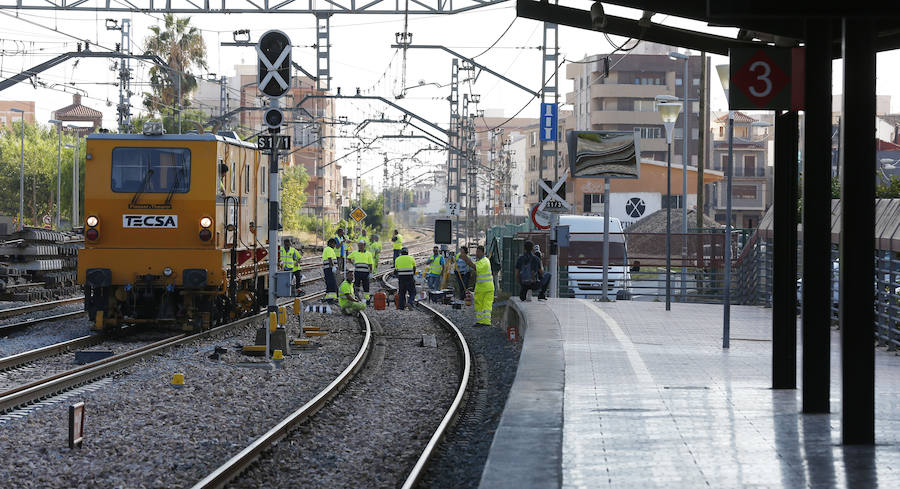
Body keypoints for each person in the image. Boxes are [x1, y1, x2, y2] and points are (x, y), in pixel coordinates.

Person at [461, 245, 494, 327]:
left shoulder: (485, 261)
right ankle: (480, 321)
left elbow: (474, 266)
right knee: (479, 304)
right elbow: (473, 265)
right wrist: (466, 260)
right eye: (476, 252)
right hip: (481, 288)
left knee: (486, 305)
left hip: (486, 288)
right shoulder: (481, 261)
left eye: (478, 252)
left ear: (482, 252)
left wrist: (466, 259)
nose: (476, 253)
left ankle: (486, 322)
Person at [348, 239, 374, 304]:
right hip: (357, 272)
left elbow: (370, 264)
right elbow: (348, 257)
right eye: (359, 245)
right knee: (356, 285)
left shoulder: (368, 254)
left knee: (366, 286)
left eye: (361, 245)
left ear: (364, 245)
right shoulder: (355, 252)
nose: (360, 247)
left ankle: (367, 300)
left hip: (365, 273)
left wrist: (371, 272)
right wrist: (353, 263)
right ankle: (357, 298)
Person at [322, 238, 339, 303]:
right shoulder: (329, 249)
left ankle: (329, 297)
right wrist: (333, 266)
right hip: (329, 269)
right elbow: (330, 258)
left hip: (328, 269)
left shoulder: (328, 249)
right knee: (332, 283)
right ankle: (331, 299)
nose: (334, 246)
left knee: (329, 283)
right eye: (334, 244)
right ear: (330, 243)